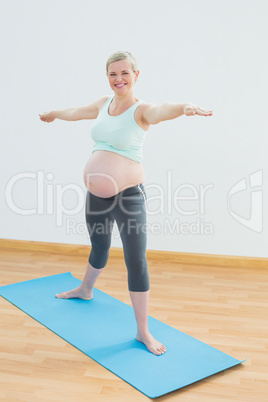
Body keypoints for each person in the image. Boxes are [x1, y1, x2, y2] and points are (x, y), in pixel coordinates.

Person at [39, 51, 213, 356]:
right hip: (96, 196)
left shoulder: (141, 109)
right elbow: (77, 111)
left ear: (135, 74)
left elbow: (162, 111)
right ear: (107, 77)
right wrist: (54, 112)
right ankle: (86, 289)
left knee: (136, 259)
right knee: (99, 246)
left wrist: (184, 107)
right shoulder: (102, 104)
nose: (118, 79)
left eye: (124, 73)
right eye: (112, 74)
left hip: (129, 196)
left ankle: (143, 331)